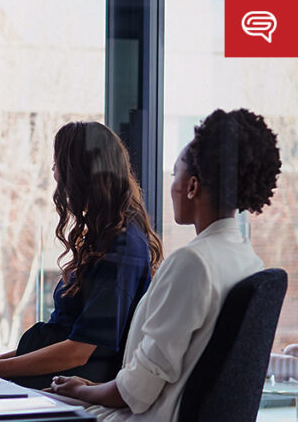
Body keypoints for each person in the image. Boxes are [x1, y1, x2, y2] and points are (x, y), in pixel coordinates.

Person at [50, 108, 282, 421]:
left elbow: (135, 393)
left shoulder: (193, 263)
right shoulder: (248, 261)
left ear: (192, 187)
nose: (171, 186)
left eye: (175, 174)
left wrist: (78, 390)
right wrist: (90, 386)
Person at [0, 122, 163, 389]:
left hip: (71, 382)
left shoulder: (122, 246)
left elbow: (79, 350)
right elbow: (65, 335)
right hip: (57, 374)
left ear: (80, 174)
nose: (54, 172)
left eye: (58, 164)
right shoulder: (105, 236)